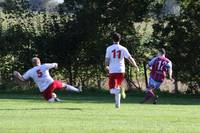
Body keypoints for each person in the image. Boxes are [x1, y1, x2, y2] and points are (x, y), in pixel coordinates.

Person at [13, 57, 82, 102]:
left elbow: (22, 79)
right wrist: (55, 66)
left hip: (44, 89)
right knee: (65, 86)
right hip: (52, 83)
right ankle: (78, 90)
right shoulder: (44, 66)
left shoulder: (30, 71)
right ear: (39, 62)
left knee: (50, 100)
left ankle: (55, 99)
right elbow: (55, 64)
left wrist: (17, 74)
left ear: (32, 64)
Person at [105, 32, 139, 108]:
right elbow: (130, 58)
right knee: (117, 87)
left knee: (112, 90)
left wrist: (106, 66)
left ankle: (120, 91)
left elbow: (107, 60)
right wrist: (135, 65)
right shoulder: (123, 48)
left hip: (112, 70)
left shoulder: (109, 48)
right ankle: (118, 105)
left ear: (112, 39)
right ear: (120, 39)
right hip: (121, 71)